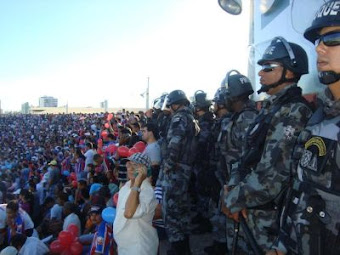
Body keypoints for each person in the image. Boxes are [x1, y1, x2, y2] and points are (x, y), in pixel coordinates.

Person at [223, 36, 313, 252]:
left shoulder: (294, 111)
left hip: (267, 221)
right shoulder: (272, 109)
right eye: (261, 67)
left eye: (268, 67)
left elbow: (272, 176)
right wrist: (233, 186)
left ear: (290, 72)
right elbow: (247, 157)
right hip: (248, 209)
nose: (260, 73)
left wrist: (233, 198)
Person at [266, 1, 340, 254]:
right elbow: (301, 190)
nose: (319, 48)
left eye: (333, 39)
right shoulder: (320, 116)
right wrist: (284, 244)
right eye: (318, 41)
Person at [217, 70, 258, 254]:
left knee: (242, 242)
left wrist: (236, 194)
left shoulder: (247, 119)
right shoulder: (238, 117)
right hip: (232, 186)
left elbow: (247, 161)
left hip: (241, 190)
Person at [159, 90, 199, 255]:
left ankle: (178, 249)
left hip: (176, 170)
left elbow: (174, 144)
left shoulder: (179, 118)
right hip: (185, 169)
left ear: (176, 104)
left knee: (172, 212)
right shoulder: (190, 117)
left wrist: (167, 166)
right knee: (181, 210)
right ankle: (183, 248)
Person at [204, 85, 231, 255]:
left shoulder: (229, 121)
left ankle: (222, 246)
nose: (213, 106)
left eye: (216, 103)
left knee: (223, 212)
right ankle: (220, 243)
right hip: (218, 172)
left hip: (226, 176)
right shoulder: (220, 122)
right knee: (216, 209)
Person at [113, 152, 158, 255]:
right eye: (129, 164)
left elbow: (128, 213)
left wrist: (138, 181)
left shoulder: (146, 191)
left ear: (145, 171)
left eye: (136, 165)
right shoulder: (126, 186)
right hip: (125, 246)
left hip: (138, 248)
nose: (130, 168)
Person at [190, 90, 214, 235]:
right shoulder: (204, 120)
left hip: (206, 163)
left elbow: (202, 144)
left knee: (204, 192)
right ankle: (201, 216)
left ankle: (206, 222)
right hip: (202, 163)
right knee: (200, 191)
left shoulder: (206, 122)